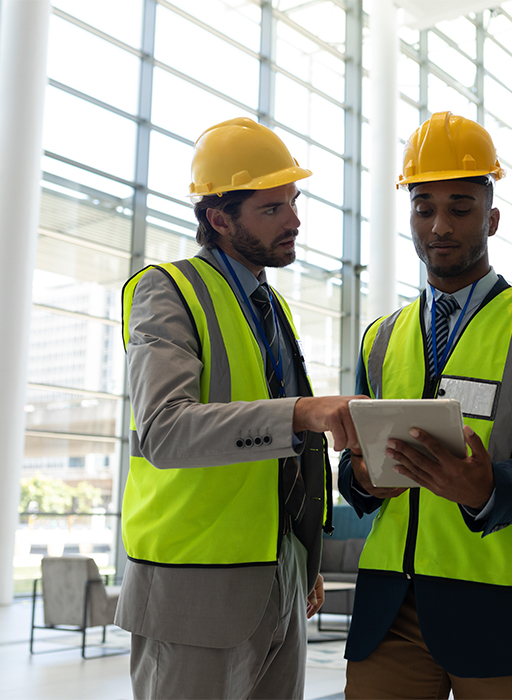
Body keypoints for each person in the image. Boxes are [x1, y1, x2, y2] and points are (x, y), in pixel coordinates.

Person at [337, 111, 512, 699]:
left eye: (460, 207)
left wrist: (484, 488)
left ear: (492, 218)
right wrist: (364, 480)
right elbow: (349, 465)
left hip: (498, 602)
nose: (440, 225)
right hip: (388, 605)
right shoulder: (380, 337)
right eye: (424, 208)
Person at [115, 117, 365, 700]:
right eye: (272, 209)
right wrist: (302, 412)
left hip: (280, 577)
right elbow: (164, 430)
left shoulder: (270, 306)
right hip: (192, 591)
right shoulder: (166, 290)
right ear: (219, 219)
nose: (296, 220)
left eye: (294, 202)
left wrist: (302, 558)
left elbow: (281, 458)